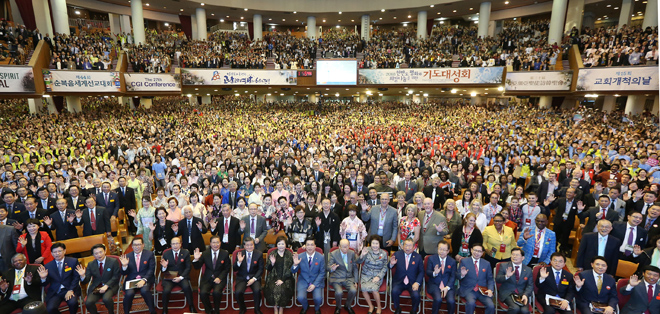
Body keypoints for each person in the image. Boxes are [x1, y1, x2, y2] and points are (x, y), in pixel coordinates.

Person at [193, 235, 231, 314]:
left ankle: (216, 310)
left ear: (220, 243)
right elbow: (197, 267)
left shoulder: (225, 254)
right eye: (213, 242)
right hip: (207, 279)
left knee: (216, 292)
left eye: (217, 242)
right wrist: (196, 259)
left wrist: (220, 278)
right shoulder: (205, 253)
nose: (215, 244)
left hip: (219, 278)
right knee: (203, 293)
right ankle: (209, 310)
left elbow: (227, 268)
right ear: (210, 244)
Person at [39, 243, 81, 314]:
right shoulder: (48, 266)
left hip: (69, 289)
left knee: (73, 303)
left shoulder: (73, 261)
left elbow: (76, 277)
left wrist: (71, 290)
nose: (57, 254)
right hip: (55, 292)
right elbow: (45, 283)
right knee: (50, 309)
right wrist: (43, 278)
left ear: (64, 251)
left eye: (59, 251)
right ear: (51, 253)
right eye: (55, 252)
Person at [78, 244, 121, 314]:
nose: (99, 255)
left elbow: (116, 277)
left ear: (105, 251)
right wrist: (83, 276)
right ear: (93, 255)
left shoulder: (113, 261)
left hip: (110, 286)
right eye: (96, 253)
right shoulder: (91, 264)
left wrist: (106, 286)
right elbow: (86, 280)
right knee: (88, 302)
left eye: (101, 252)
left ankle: (111, 312)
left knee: (106, 299)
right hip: (96, 287)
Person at [119, 237, 156, 314]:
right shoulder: (127, 256)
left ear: (143, 245)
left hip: (145, 278)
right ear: (132, 246)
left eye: (139, 244)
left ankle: (152, 310)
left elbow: (151, 270)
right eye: (135, 245)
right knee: (129, 294)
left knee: (145, 291)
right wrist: (124, 266)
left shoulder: (149, 254)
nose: (137, 247)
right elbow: (123, 273)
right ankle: (126, 312)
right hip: (131, 280)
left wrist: (144, 280)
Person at [160, 236, 196, 314]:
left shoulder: (185, 252)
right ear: (170, 245)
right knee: (166, 290)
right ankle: (164, 308)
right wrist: (164, 267)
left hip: (182, 276)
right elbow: (162, 269)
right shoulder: (166, 254)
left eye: (177, 243)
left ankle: (191, 305)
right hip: (169, 276)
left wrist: (181, 277)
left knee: (187, 287)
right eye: (173, 244)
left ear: (180, 244)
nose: (175, 245)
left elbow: (188, 267)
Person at [458, 243, 495, 314]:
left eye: (479, 251)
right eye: (475, 250)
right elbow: (458, 276)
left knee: (491, 305)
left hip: (483, 291)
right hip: (469, 290)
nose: (477, 253)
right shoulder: (464, 261)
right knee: (471, 303)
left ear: (482, 253)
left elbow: (490, 279)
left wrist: (490, 289)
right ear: (471, 250)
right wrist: (462, 275)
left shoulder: (486, 263)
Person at [389, 238, 424, 314]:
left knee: (416, 295)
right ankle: (397, 308)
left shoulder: (418, 257)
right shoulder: (397, 254)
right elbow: (389, 266)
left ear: (414, 247)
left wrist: (417, 283)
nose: (407, 248)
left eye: (409, 246)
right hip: (399, 281)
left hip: (413, 282)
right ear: (403, 246)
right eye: (406, 245)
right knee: (394, 291)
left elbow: (421, 272)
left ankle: (414, 310)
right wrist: (391, 264)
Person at [495, 248, 533, 314]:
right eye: (513, 254)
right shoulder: (504, 266)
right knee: (515, 308)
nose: (514, 256)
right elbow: (498, 279)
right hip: (508, 293)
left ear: (523, 258)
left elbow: (530, 285)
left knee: (525, 311)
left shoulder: (528, 269)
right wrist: (506, 276)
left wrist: (526, 295)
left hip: (521, 294)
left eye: (517, 255)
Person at [357, 235, 388, 314]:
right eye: (373, 243)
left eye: (376, 243)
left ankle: (379, 307)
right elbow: (359, 262)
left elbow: (385, 267)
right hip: (366, 274)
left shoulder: (384, 253)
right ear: (370, 244)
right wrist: (362, 255)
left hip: (377, 275)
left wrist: (379, 277)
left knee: (374, 290)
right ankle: (371, 306)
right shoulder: (366, 250)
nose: (374, 245)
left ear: (379, 244)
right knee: (364, 289)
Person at [293, 237, 325, 314]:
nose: (310, 247)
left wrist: (314, 284)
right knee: (300, 298)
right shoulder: (300, 256)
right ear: (305, 246)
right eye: (308, 245)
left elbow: (322, 273)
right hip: (303, 280)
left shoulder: (321, 257)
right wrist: (295, 264)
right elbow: (293, 271)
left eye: (312, 245)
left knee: (318, 299)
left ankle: (317, 308)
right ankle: (305, 306)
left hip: (316, 280)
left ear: (315, 246)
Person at [264, 236, 294, 314]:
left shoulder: (289, 254)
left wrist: (282, 280)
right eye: (279, 244)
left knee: (282, 289)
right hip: (273, 277)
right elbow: (268, 268)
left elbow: (291, 270)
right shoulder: (273, 253)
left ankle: (281, 308)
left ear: (286, 245)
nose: (281, 246)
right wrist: (272, 263)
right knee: (272, 288)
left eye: (282, 244)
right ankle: (275, 308)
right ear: (276, 245)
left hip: (286, 277)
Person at [425, 240, 456, 314]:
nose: (441, 251)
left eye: (444, 250)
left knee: (451, 301)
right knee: (438, 299)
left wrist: (447, 287)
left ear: (448, 251)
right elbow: (427, 272)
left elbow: (453, 276)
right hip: (434, 284)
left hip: (448, 285)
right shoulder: (431, 259)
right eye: (440, 249)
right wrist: (434, 273)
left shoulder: (452, 261)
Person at [234, 237, 264, 314]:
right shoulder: (239, 254)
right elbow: (234, 269)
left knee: (257, 290)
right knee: (238, 292)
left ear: (254, 245)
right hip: (242, 278)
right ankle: (243, 308)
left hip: (254, 277)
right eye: (247, 245)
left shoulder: (259, 254)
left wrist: (253, 279)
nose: (249, 247)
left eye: (251, 245)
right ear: (244, 246)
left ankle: (257, 309)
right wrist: (239, 262)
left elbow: (261, 269)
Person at [328, 239, 358, 314]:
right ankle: (338, 307)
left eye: (347, 246)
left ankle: (347, 305)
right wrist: (332, 268)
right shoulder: (333, 254)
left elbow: (355, 268)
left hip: (349, 278)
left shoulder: (352, 253)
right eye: (343, 247)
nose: (345, 249)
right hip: (337, 277)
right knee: (339, 292)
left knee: (353, 290)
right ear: (339, 247)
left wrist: (356, 281)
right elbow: (328, 266)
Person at [547, 188, 580, 255]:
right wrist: (550, 202)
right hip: (558, 222)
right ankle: (553, 249)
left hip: (568, 223)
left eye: (571, 192)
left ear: (575, 194)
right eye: (567, 192)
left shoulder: (577, 203)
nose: (568, 194)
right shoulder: (560, 200)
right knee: (555, 236)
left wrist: (580, 210)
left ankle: (562, 250)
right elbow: (552, 207)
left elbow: (580, 214)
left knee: (565, 238)